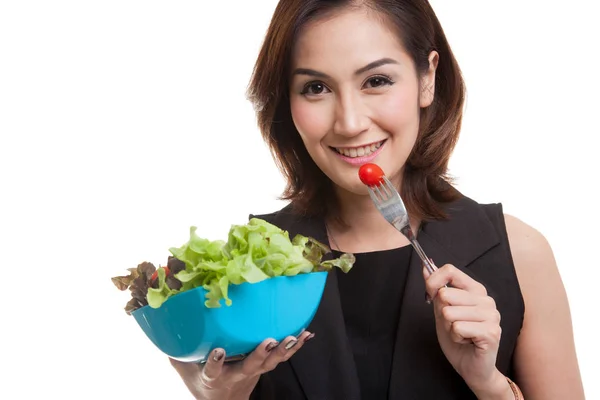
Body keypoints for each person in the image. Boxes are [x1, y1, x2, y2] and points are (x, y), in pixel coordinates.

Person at [170, 0, 585, 398]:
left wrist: (489, 385)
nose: (350, 123)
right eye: (315, 88)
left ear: (428, 79)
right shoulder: (249, 267)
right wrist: (222, 397)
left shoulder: (521, 255)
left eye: (376, 81)